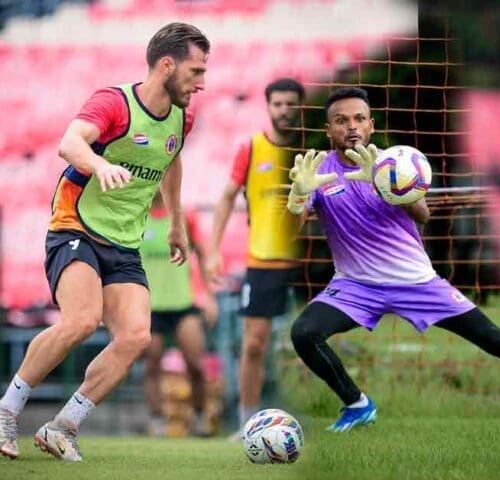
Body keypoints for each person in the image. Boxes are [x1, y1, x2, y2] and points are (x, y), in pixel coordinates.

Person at [286, 87, 500, 432]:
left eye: (358, 119)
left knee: (495, 339)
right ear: (329, 130)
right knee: (304, 332)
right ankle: (357, 404)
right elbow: (289, 231)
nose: (351, 127)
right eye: (341, 121)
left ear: (371, 125)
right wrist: (298, 197)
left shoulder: (391, 163)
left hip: (417, 283)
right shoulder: (317, 171)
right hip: (355, 286)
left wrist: (385, 185)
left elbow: (423, 214)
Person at [0, 22, 209, 461]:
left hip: (124, 241)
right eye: (194, 71)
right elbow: (69, 142)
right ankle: (7, 412)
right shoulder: (114, 102)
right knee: (81, 321)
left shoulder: (182, 116)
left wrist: (176, 222)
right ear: (166, 65)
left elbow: (171, 162)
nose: (201, 82)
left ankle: (63, 426)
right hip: (75, 225)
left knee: (136, 337)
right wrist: (99, 165)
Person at [205, 78, 305, 436]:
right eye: (278, 104)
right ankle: (248, 423)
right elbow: (226, 197)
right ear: (268, 107)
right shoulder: (251, 148)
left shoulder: (314, 150)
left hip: (311, 264)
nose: (284, 110)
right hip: (263, 261)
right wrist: (213, 250)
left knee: (323, 338)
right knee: (253, 344)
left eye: (291, 103)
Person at [140, 192, 217, 437]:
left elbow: (203, 255)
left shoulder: (185, 216)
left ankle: (199, 416)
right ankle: (157, 421)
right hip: (149, 307)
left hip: (183, 304)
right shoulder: (136, 215)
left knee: (195, 364)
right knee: (152, 364)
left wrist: (210, 297)